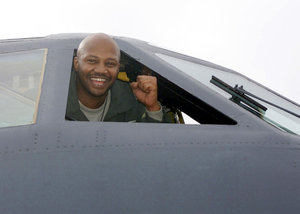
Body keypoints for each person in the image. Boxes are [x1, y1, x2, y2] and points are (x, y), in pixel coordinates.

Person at [66, 33, 171, 123]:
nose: (101, 70)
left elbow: (159, 141)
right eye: (92, 61)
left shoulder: (131, 100)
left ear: (118, 68)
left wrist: (152, 107)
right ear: (76, 63)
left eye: (110, 63)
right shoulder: (55, 100)